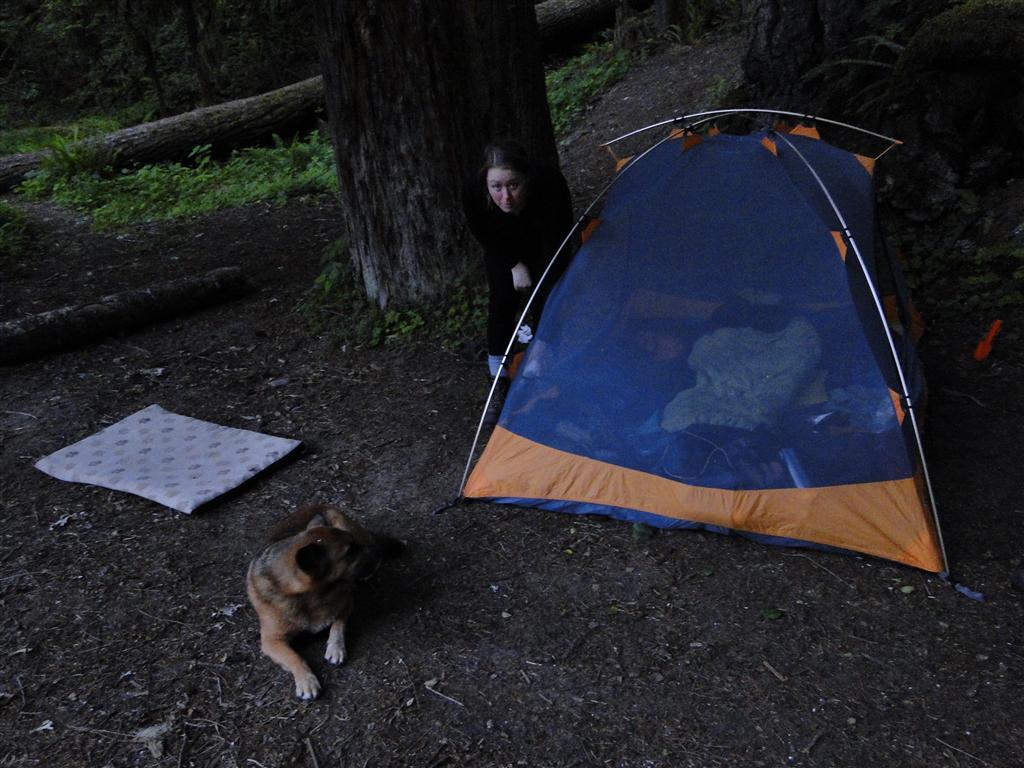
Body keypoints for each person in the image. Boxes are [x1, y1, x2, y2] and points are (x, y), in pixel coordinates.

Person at [462, 140, 575, 389]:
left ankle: (542, 357)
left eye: (513, 185)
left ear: (527, 178)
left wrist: (543, 281)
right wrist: (514, 265)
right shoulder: (474, 189)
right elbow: (481, 231)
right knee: (502, 299)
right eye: (496, 187)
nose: (506, 197)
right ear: (486, 183)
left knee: (549, 295)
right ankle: (498, 376)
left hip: (542, 239)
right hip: (501, 242)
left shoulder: (549, 185)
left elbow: (557, 242)